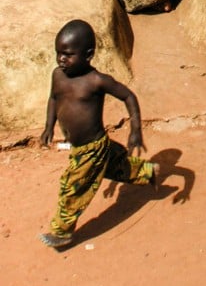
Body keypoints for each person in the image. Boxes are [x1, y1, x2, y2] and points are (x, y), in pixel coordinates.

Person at [39, 19, 158, 248]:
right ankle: (148, 172)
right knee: (114, 168)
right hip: (80, 147)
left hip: (92, 147)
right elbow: (53, 99)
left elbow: (128, 96)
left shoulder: (96, 81)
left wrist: (135, 130)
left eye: (68, 54)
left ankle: (62, 231)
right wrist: (48, 126)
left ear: (88, 54)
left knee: (73, 186)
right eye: (58, 53)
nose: (61, 59)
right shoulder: (58, 76)